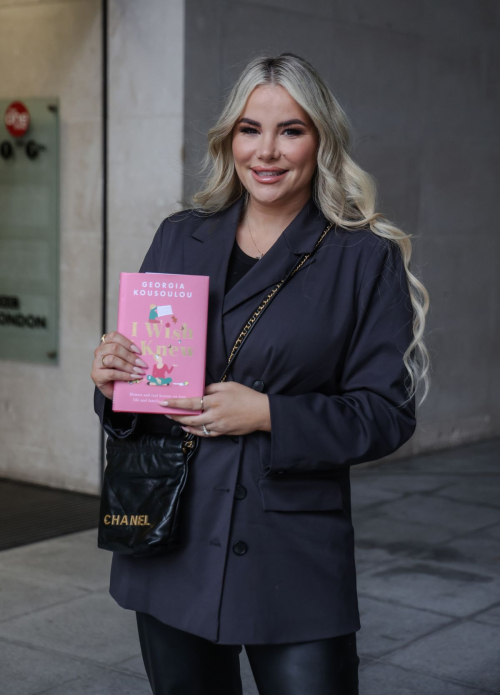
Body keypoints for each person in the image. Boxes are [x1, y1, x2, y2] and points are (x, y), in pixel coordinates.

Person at [91, 53, 430, 695]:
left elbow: (388, 413)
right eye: (250, 129)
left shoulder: (363, 256)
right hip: (174, 540)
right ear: (230, 139)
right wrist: (114, 383)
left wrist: (269, 413)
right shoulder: (179, 236)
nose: (267, 152)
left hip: (290, 554)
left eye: (290, 130)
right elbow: (143, 397)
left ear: (321, 139)